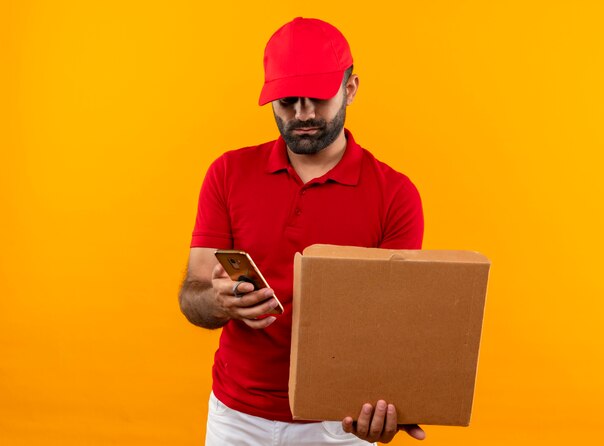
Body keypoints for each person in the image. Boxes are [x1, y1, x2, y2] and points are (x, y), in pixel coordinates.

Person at [179, 17, 426, 445]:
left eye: (317, 99)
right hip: (236, 416)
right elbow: (193, 295)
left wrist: (391, 406)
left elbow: (394, 328)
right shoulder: (228, 174)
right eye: (287, 102)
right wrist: (218, 302)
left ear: (350, 89)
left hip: (338, 421)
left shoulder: (395, 194)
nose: (303, 114)